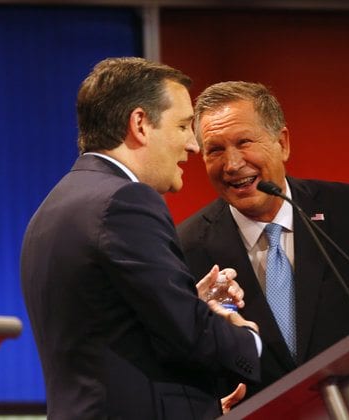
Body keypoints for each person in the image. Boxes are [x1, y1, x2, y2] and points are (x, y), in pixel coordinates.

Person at [20, 58, 262, 420]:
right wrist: (249, 338)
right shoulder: (125, 201)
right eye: (182, 126)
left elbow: (109, 328)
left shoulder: (54, 207)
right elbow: (189, 334)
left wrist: (189, 301)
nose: (193, 145)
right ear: (140, 124)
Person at [177, 81, 349, 397]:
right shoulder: (186, 246)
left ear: (282, 142)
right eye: (215, 150)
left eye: (244, 142)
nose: (232, 164)